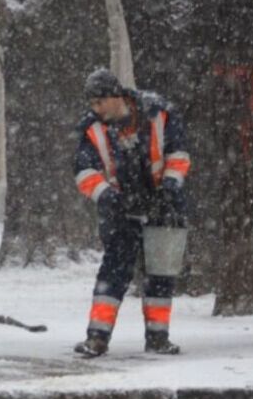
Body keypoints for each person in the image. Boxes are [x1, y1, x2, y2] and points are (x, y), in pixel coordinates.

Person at [71, 68, 190, 358]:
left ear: (116, 96)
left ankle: (158, 339)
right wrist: (108, 196)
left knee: (160, 275)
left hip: (163, 207)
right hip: (120, 211)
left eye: (99, 102)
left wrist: (170, 187)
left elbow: (178, 153)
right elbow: (84, 171)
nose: (95, 109)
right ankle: (97, 338)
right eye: (92, 104)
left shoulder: (158, 112)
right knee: (114, 273)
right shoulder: (91, 127)